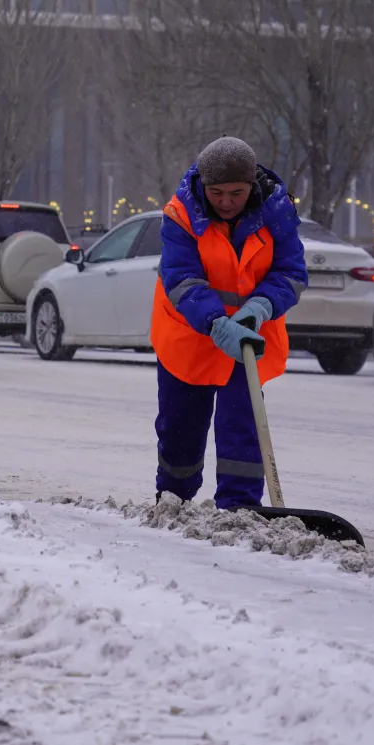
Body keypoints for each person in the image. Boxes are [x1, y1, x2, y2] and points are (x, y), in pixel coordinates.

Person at [149, 136, 308, 509]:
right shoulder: (180, 215)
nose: (225, 201)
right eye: (216, 192)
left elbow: (292, 271)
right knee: (180, 430)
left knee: (242, 427)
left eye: (235, 192)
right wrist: (217, 322)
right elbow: (181, 278)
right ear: (203, 185)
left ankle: (240, 510)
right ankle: (175, 501)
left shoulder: (276, 212)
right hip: (189, 334)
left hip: (248, 337)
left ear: (251, 184)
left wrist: (261, 306)